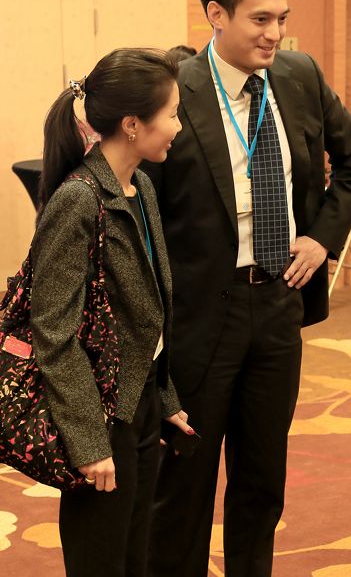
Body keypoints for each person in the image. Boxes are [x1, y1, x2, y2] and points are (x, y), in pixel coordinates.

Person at [145, 0, 351, 577]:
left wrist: (323, 238)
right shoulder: (176, 89)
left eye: (282, 18)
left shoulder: (298, 75)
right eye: (260, 20)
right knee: (185, 482)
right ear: (216, 15)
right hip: (200, 314)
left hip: (278, 304)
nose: (275, 33)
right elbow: (148, 210)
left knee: (262, 480)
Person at [30, 48, 191, 576]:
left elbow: (143, 316)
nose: (177, 126)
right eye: (170, 114)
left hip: (137, 404)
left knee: (134, 558)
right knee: (100, 561)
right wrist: (88, 441)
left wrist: (163, 398)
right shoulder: (77, 200)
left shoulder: (139, 184)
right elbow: (53, 333)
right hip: (98, 418)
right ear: (131, 124)